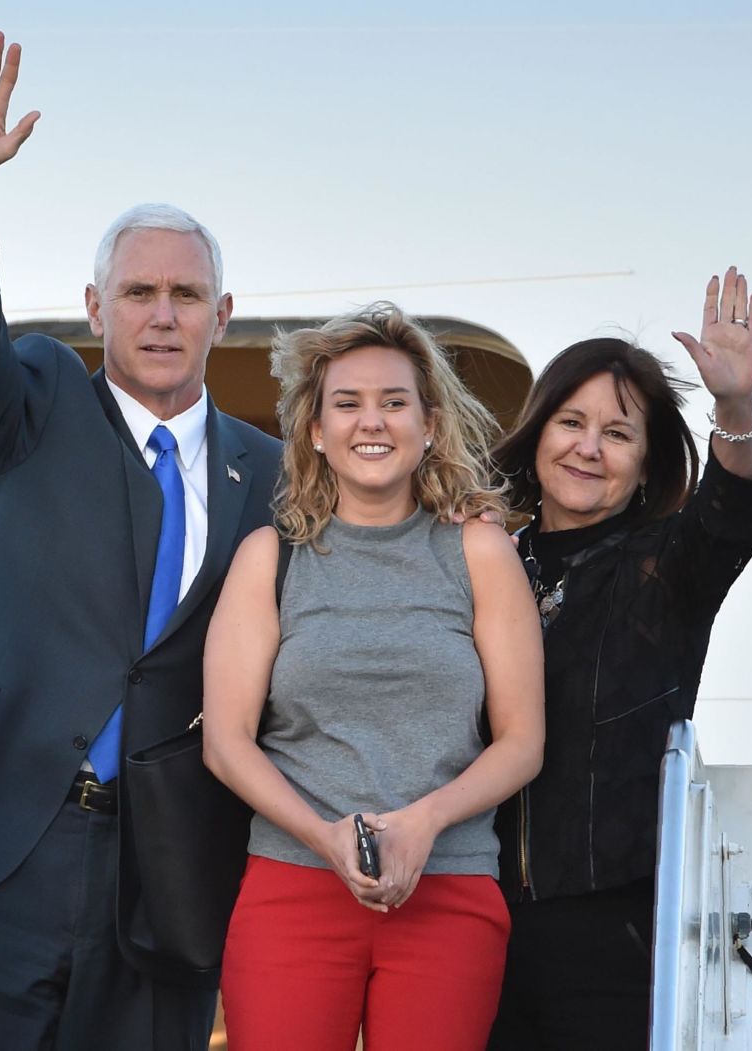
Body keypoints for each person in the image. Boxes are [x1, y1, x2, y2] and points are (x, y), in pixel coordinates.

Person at [0, 30, 281, 1051]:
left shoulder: (275, 474)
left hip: (168, 869)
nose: (162, 316)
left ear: (223, 315)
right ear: (93, 308)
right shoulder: (23, 406)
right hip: (0, 839)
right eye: (137, 293)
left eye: (186, 296)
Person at [485, 269, 752, 1050]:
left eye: (619, 433)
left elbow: (728, 513)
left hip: (618, 927)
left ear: (645, 463)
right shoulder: (474, 557)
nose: (589, 448)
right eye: (571, 422)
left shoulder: (666, 564)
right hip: (471, 910)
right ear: (537, 434)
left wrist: (733, 408)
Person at [202, 304, 545, 1051]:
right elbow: (226, 743)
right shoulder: (271, 557)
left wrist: (423, 823)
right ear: (316, 432)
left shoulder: (480, 553)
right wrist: (325, 836)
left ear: (428, 425)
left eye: (395, 402)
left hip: (449, 890)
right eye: (347, 403)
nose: (373, 422)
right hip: (291, 889)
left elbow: (522, 741)